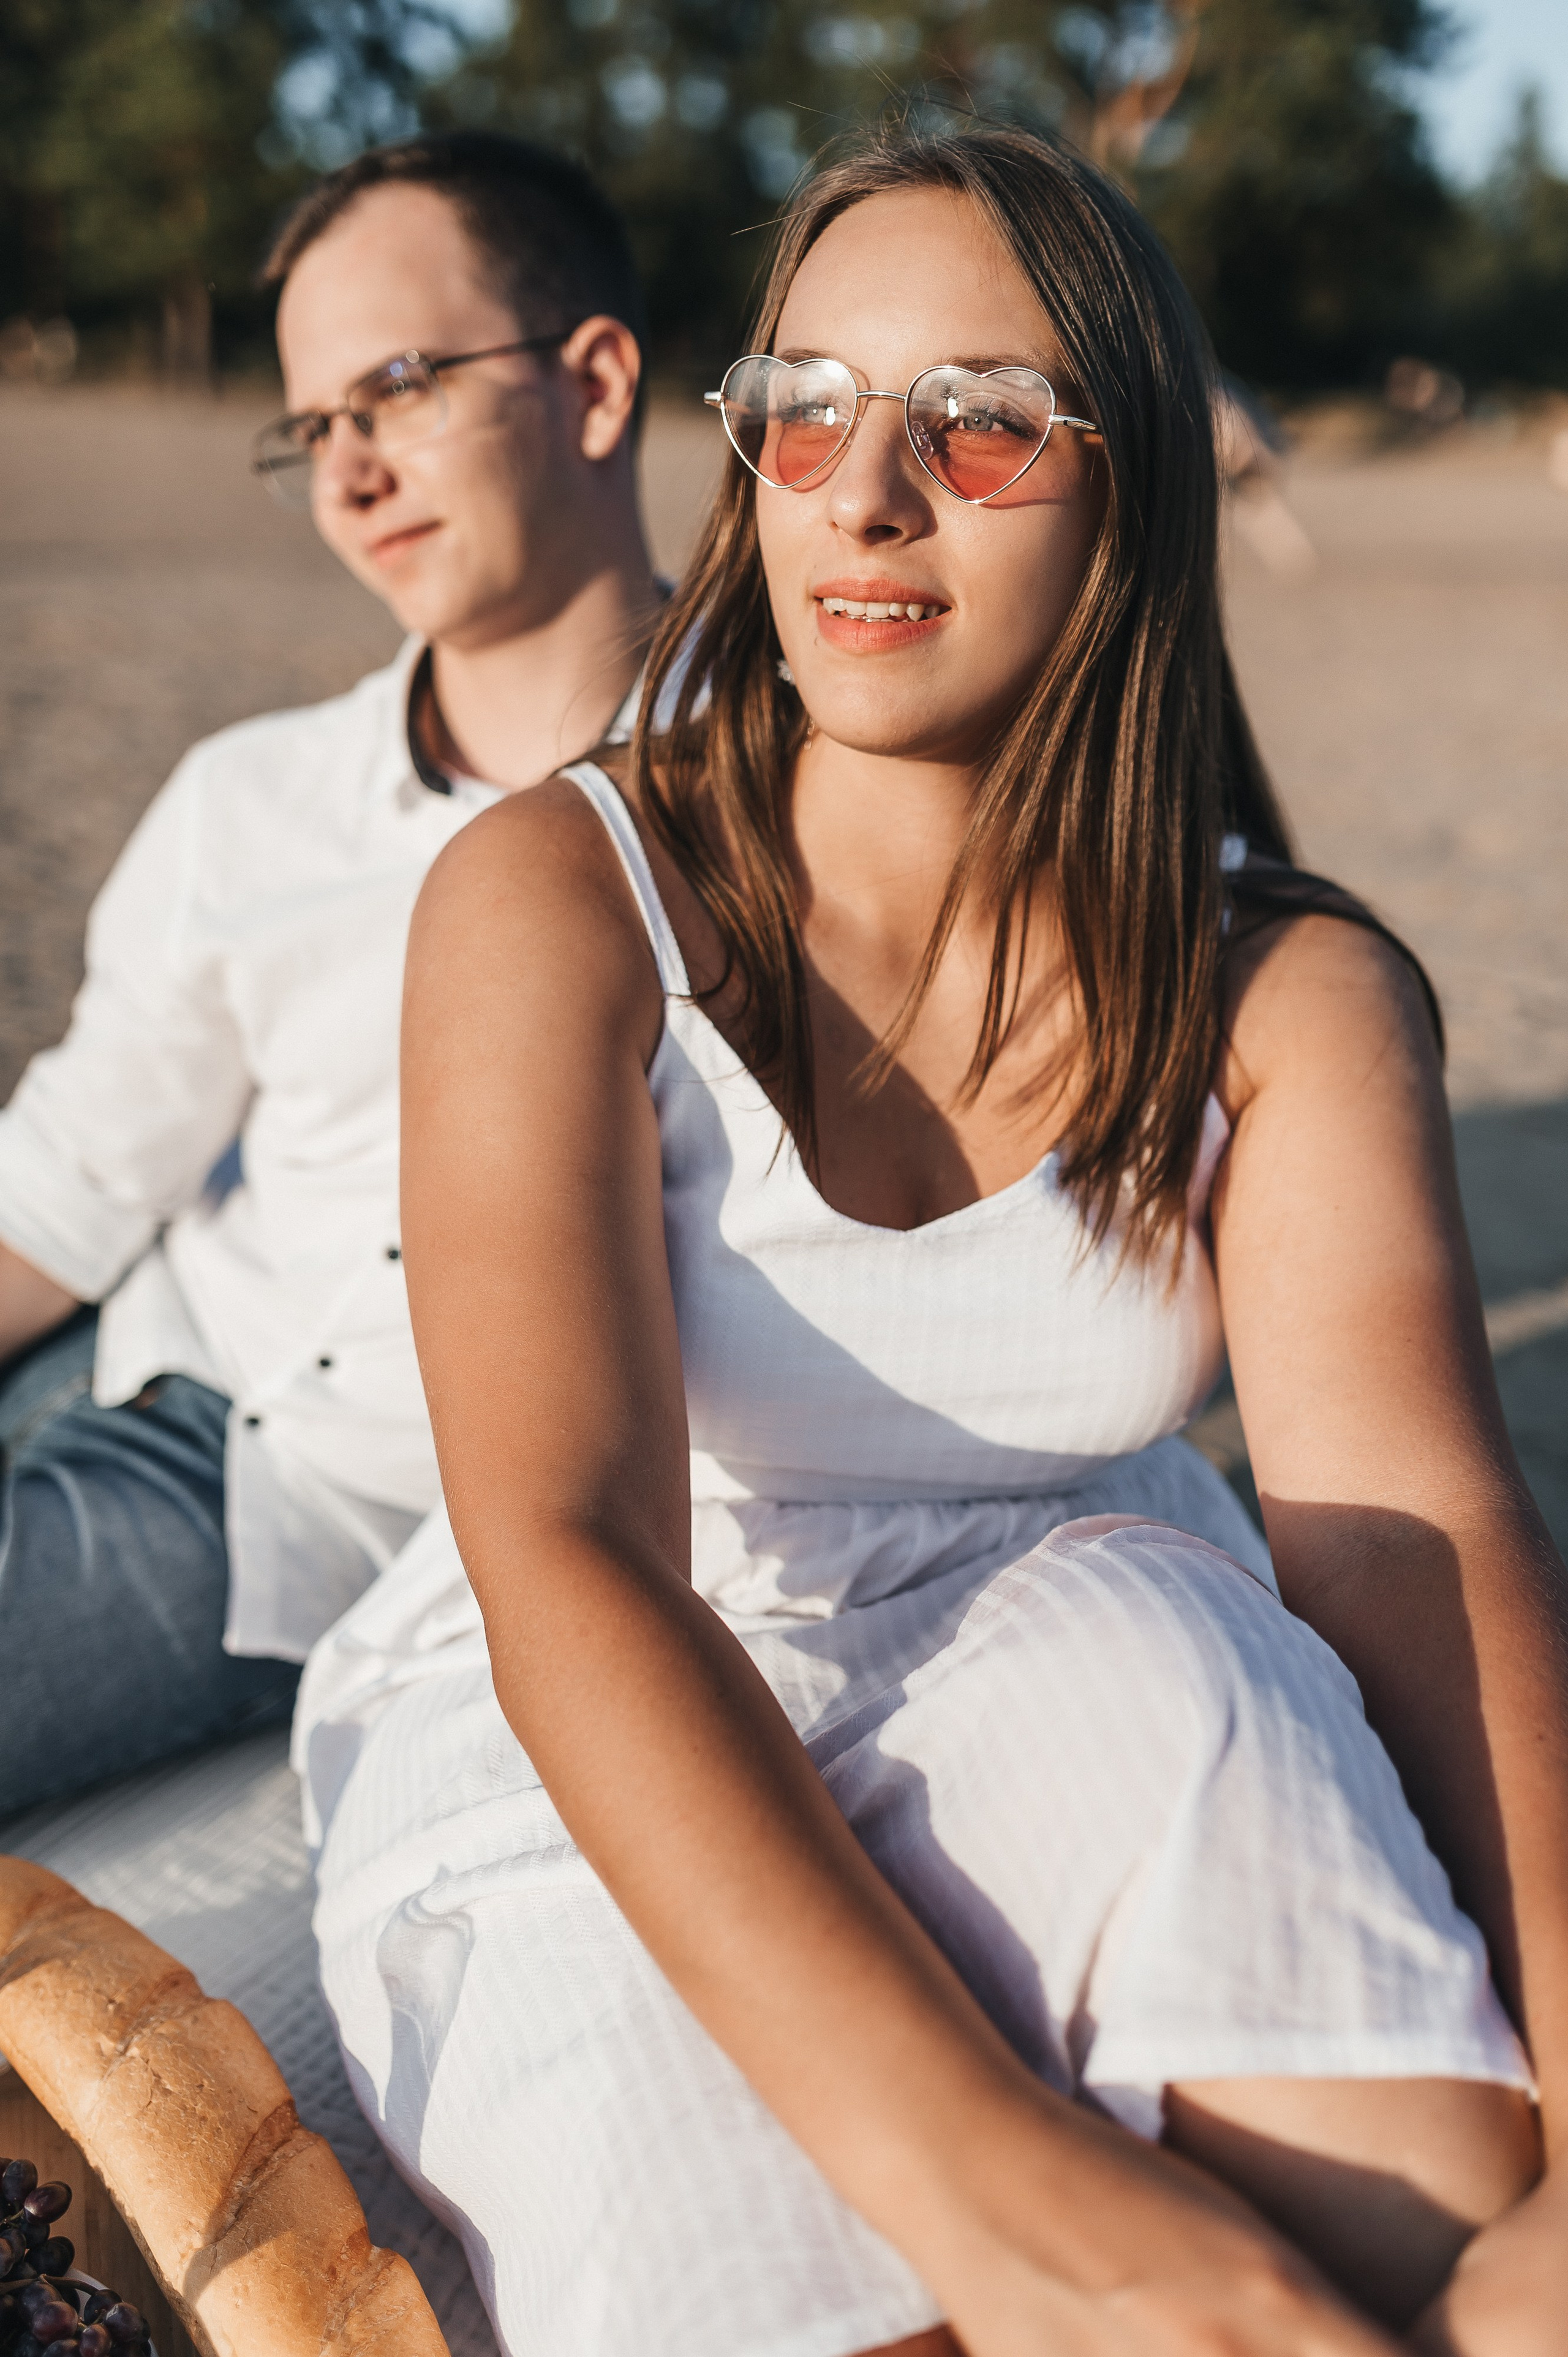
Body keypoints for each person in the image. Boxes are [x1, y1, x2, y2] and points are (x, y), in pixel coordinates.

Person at [296, 125, 1568, 2355]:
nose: (867, 494)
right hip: (605, 1686)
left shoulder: (1283, 992)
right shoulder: (556, 902)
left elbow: (1403, 1532)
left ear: (1132, 484)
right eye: (805, 406)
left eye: (983, 422)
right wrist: (1010, 2194)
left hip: (1075, 1626)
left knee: (1457, 2216)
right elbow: (573, 1553)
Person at [0, 132, 659, 1813]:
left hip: (282, 1519)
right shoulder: (252, 799)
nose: (349, 476)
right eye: (313, 430)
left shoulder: (803, 807)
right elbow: (74, 1175)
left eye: (404, 388)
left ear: (593, 386)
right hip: (137, 1345)